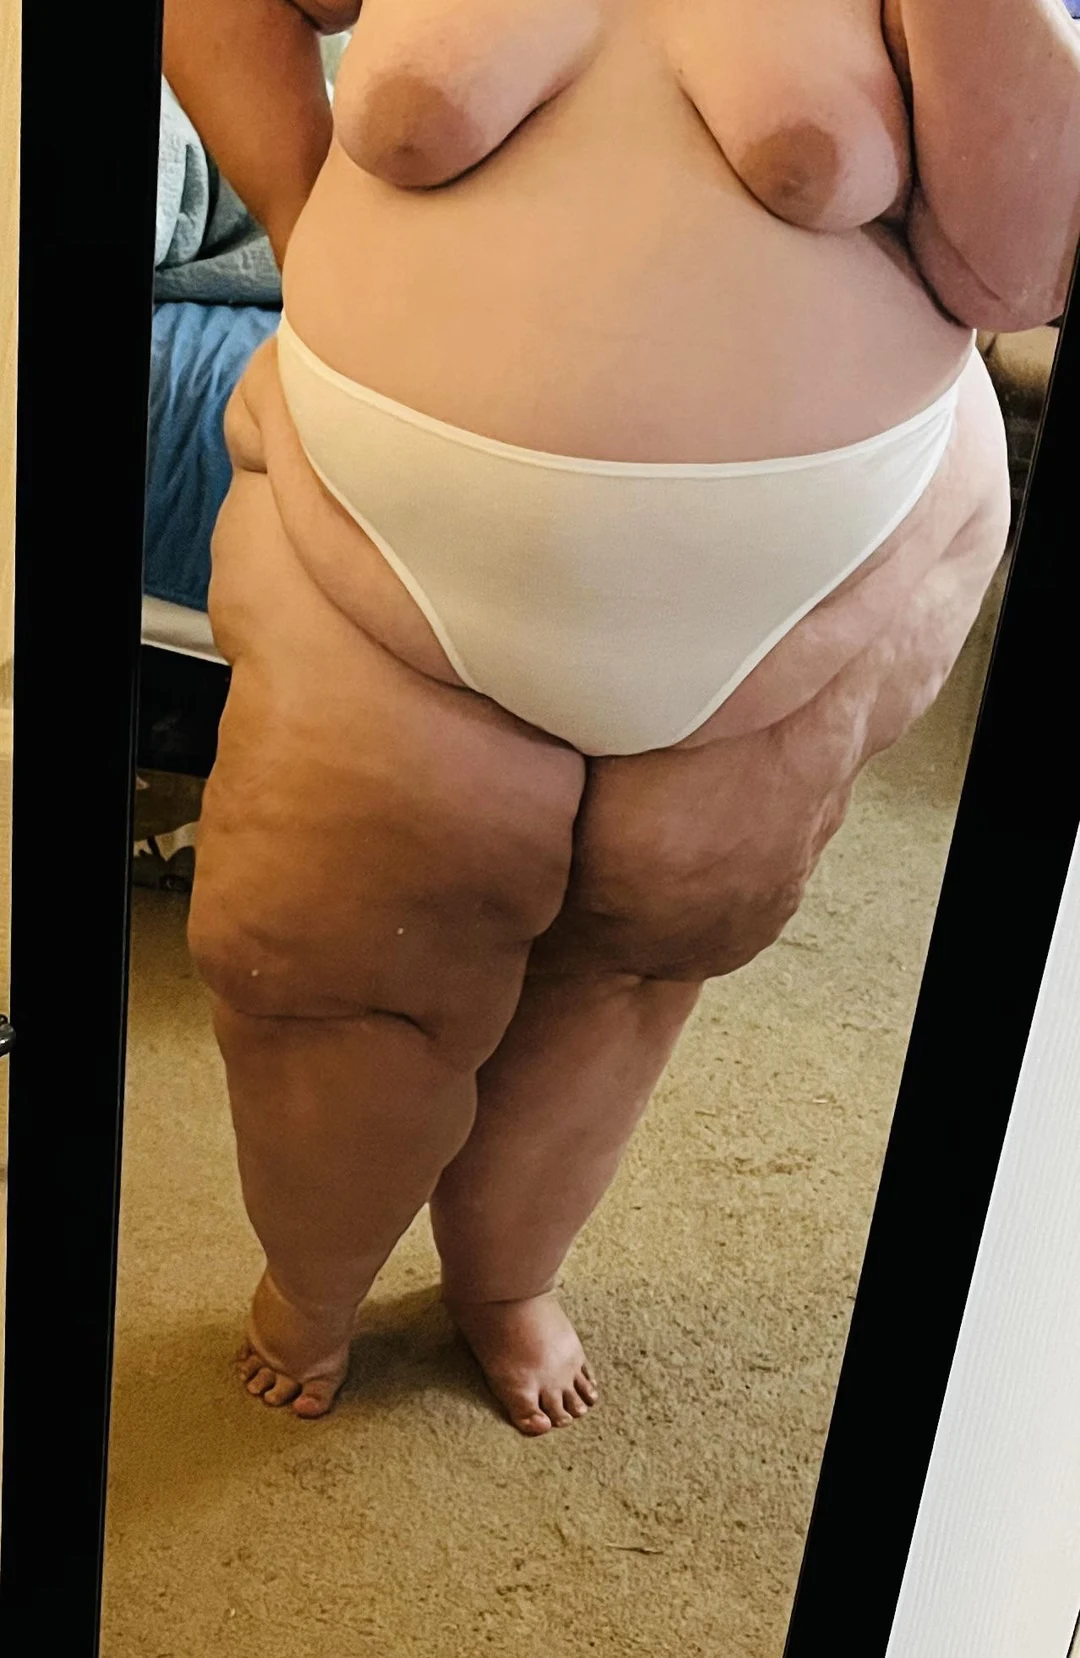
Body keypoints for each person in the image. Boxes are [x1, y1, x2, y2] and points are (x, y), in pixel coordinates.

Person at [165, 0, 1080, 1435]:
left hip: (803, 599)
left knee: (637, 957)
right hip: (376, 538)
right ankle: (315, 1276)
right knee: (313, 953)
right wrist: (300, 213)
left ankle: (508, 1276)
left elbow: (1020, 270)